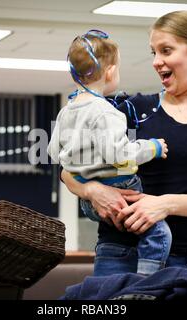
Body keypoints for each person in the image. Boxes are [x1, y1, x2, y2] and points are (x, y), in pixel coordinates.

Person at [61, 11, 187, 276]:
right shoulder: (131, 110)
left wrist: (166, 204)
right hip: (120, 257)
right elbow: (67, 169)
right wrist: (94, 192)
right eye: (153, 52)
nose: (157, 62)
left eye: (166, 50)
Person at [48, 30, 171, 275]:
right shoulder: (106, 112)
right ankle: (147, 283)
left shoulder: (66, 111)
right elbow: (120, 155)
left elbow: (53, 153)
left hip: (90, 202)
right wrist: (153, 147)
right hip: (122, 190)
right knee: (159, 233)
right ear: (111, 71)